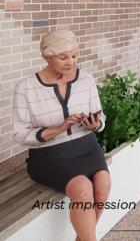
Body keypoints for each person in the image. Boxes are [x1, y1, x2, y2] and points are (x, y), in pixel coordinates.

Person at [12, 30, 110, 241]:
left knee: (103, 182)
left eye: (74, 55)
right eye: (63, 57)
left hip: (86, 146)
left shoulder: (86, 80)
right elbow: (19, 135)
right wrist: (58, 128)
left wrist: (95, 125)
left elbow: (101, 117)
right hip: (48, 154)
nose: (71, 62)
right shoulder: (26, 88)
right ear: (47, 57)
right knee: (83, 188)